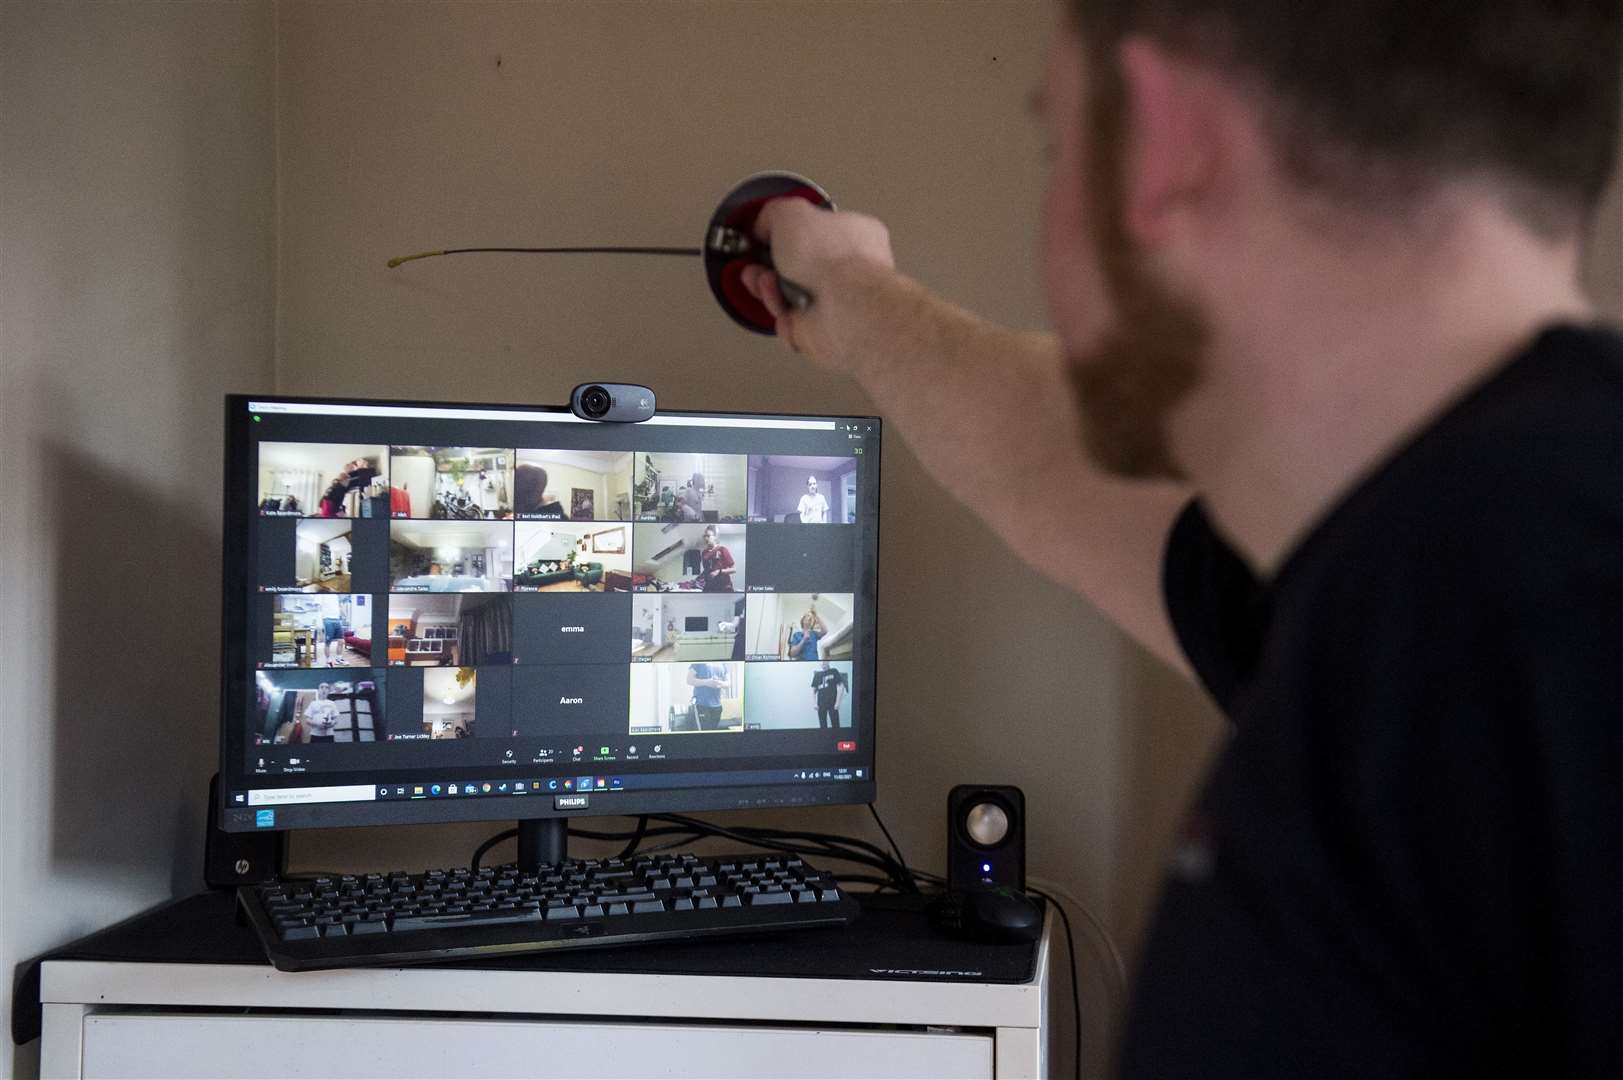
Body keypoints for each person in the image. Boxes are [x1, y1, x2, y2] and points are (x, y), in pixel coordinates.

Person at [738, 2, 1623, 1075]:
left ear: (1163, 142)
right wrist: (862, 301)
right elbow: (1049, 469)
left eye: (1059, 140)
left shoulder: (1531, 604)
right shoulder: (1425, 576)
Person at [686, 662, 728, 730]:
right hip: (701, 705)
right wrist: (707, 682)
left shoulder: (723, 663)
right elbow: (689, 680)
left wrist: (720, 683)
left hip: (718, 706)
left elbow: (728, 683)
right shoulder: (698, 661)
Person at [810, 661, 848, 729]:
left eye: (825, 662)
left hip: (832, 703)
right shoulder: (817, 674)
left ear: (828, 662)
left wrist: (838, 702)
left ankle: (836, 738)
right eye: (821, 663)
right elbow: (813, 690)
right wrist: (814, 703)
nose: (823, 664)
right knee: (822, 725)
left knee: (835, 725)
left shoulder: (834, 671)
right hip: (821, 703)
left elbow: (841, 686)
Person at [698, 525, 736, 592]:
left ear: (715, 537)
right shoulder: (704, 553)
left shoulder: (722, 550)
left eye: (708, 536)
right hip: (710, 586)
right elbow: (707, 569)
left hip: (723, 586)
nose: (706, 538)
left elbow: (733, 569)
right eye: (704, 536)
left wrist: (718, 572)